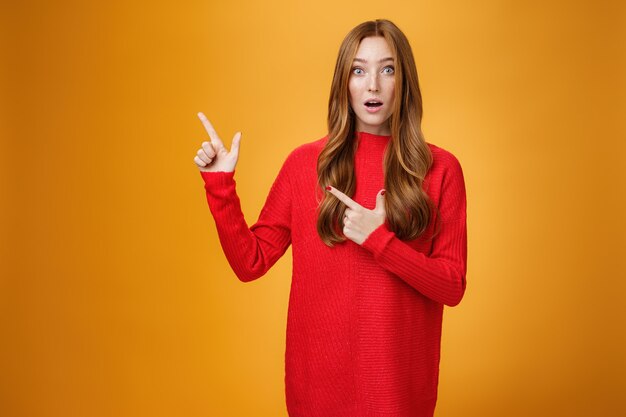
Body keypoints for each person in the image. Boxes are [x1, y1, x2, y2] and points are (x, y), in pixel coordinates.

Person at [194, 19, 467, 417]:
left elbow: (452, 286)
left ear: (405, 80)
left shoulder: (441, 169)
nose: (372, 84)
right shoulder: (305, 165)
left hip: (398, 396)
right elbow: (249, 263)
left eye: (387, 69)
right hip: (316, 394)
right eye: (359, 70)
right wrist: (220, 184)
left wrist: (380, 242)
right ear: (344, 81)